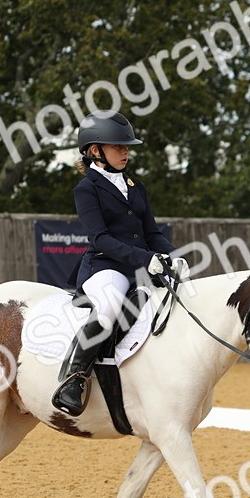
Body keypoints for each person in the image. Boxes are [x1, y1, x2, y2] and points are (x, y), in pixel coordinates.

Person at [51, 110, 188, 416]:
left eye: (127, 147)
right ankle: (75, 379)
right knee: (110, 307)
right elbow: (100, 238)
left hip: (143, 266)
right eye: (118, 147)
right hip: (106, 267)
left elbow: (153, 233)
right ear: (95, 151)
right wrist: (146, 259)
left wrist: (171, 257)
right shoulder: (86, 189)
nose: (125, 151)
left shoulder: (136, 186)